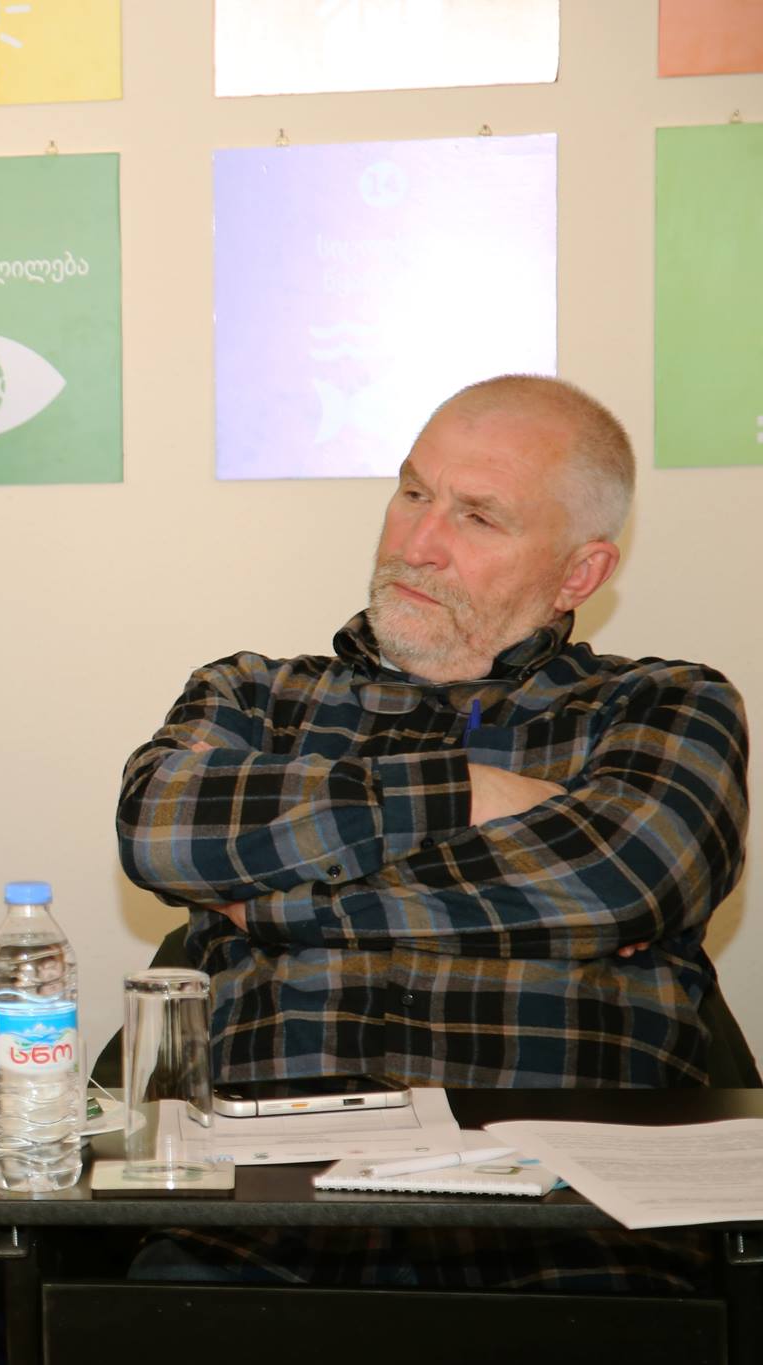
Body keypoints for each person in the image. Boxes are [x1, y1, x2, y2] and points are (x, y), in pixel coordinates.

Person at [115, 375, 748, 1290]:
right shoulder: (257, 696)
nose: (417, 543)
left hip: (572, 1229)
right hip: (261, 1223)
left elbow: (626, 875)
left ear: (579, 572)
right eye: (414, 492)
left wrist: (274, 906)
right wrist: (469, 791)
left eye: (478, 517)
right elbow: (158, 827)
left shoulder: (660, 704)